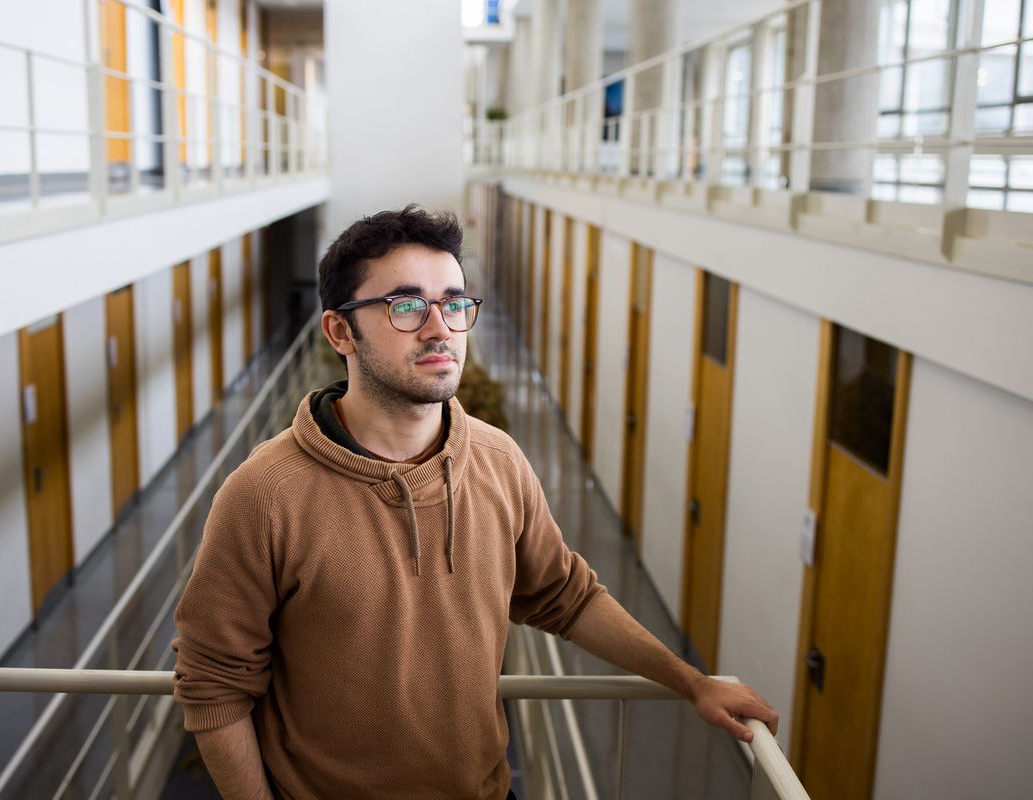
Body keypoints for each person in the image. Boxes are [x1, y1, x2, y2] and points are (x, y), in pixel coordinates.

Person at [172, 205, 778, 800]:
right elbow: (214, 687)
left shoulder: (498, 460)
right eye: (406, 306)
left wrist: (692, 681)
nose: (440, 328)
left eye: (454, 303)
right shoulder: (264, 494)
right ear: (339, 331)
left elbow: (565, 596)